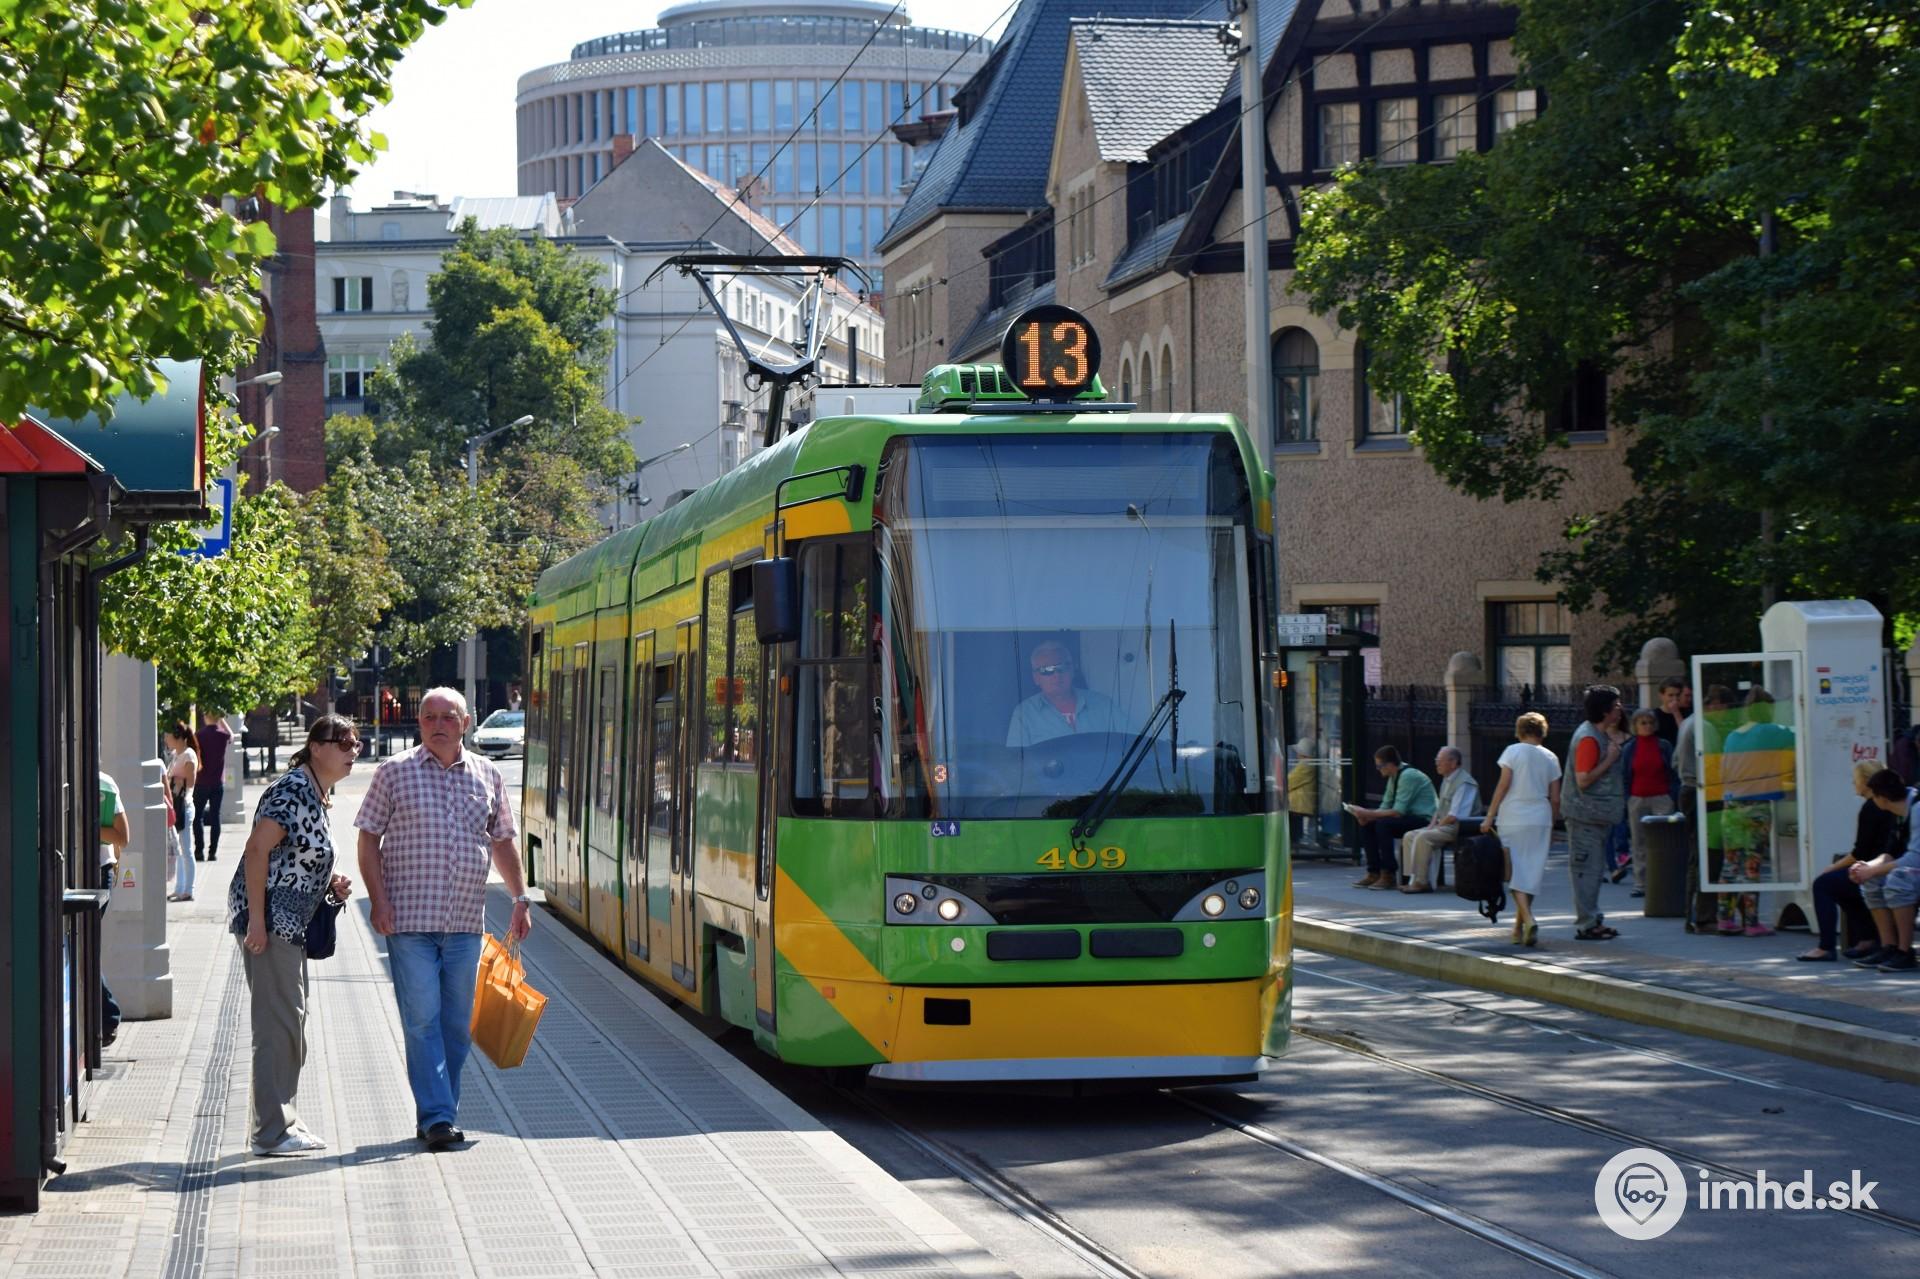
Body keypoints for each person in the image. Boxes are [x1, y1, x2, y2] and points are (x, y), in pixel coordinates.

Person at [356, 687, 532, 1150]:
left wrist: (520, 898)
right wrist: (378, 901)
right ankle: (437, 1117)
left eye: (448, 717)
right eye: (429, 717)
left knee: (456, 1025)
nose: (438, 725)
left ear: (466, 723)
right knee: (422, 1019)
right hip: (408, 921)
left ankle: (439, 1112)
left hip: (465, 923)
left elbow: (502, 842)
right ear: (419, 723)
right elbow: (368, 838)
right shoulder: (394, 772)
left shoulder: (488, 774)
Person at [231, 716, 359, 1156]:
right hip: (271, 922)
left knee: (291, 1023)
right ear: (316, 747)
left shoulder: (317, 793)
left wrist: (330, 882)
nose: (352, 751)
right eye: (343, 743)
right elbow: (256, 850)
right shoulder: (292, 791)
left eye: (356, 744)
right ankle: (270, 1131)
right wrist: (257, 922)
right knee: (278, 1025)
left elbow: (295, 856)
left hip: (289, 922)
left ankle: (282, 1118)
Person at [1797, 760, 1897, 962]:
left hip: (1875, 868)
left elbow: (1860, 852)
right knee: (1843, 885)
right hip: (1882, 865)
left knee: (1824, 884)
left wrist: (1832, 867)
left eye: (1855, 780)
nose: (1853, 784)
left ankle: (1826, 947)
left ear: (1866, 782)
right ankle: (1868, 938)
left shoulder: (1871, 807)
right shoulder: (1888, 804)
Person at [1716, 687, 1794, 936]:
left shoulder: (1732, 736)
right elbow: (1800, 736)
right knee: (1752, 865)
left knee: (1730, 865)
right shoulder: (1771, 731)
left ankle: (1724, 918)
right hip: (1756, 809)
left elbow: (1723, 772)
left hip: (1731, 808)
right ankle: (1751, 922)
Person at [1483, 712, 1563, 947]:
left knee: (1514, 871)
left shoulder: (1512, 751)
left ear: (1520, 731)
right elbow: (1555, 798)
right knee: (1531, 872)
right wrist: (1552, 824)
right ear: (1542, 731)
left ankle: (1528, 919)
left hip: (1513, 816)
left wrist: (1490, 816)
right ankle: (1518, 929)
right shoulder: (1551, 757)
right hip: (1540, 817)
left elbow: (1503, 785)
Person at [1563, 684, 1628, 940]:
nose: (1620, 709)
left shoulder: (1597, 735)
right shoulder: (1589, 739)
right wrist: (1610, 759)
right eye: (1616, 706)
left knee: (1592, 870)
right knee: (1586, 871)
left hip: (1593, 815)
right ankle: (1587, 924)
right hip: (1584, 816)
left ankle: (1592, 920)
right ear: (1604, 711)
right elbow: (1583, 780)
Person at [1848, 770, 1920, 972]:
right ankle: (1889, 947)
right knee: (1872, 880)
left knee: (1898, 879)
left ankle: (1905, 951)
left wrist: (1874, 870)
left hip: (1914, 867)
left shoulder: (1917, 809)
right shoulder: (1897, 811)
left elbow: (1915, 857)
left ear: (1882, 798)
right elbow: (1890, 852)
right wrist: (1868, 867)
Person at [1349, 745, 1436, 889]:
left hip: (1424, 819)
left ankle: (1388, 873)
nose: (1378, 769)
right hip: (1409, 817)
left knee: (1384, 825)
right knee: (1368, 825)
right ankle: (1374, 871)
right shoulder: (1394, 776)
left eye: (1380, 766)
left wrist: (1368, 813)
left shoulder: (1408, 776)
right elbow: (1385, 805)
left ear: (1389, 764)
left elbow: (1398, 811)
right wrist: (1367, 817)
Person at [1005, 641, 1122, 747]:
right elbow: (1016, 760)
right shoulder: (1024, 714)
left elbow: (1130, 744)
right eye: (1047, 670)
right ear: (1036, 678)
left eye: (1062, 667)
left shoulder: (1103, 704)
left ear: (1072, 671)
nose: (1056, 675)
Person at [1400, 746, 1479, 892]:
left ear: (1453, 763)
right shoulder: (1447, 779)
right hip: (1446, 825)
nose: (1437, 763)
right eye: (1437, 760)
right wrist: (1431, 825)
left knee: (1423, 837)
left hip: (1459, 828)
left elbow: (1455, 815)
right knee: (1409, 836)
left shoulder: (1465, 783)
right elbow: (1440, 808)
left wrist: (1435, 827)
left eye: (1440, 760)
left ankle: (1422, 882)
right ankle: (1412, 878)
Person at [1621, 708, 1679, 899]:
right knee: (1639, 841)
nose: (1647, 726)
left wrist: (1671, 795)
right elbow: (1624, 775)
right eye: (1643, 723)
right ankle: (1641, 883)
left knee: (1663, 842)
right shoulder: (1630, 748)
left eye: (1650, 723)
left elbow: (1673, 771)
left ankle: (1663, 881)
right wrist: (1628, 798)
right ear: (1635, 726)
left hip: (1662, 798)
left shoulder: (1664, 746)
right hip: (1637, 798)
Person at [99, 770, 130, 1046]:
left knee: (83, 947)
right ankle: (105, 1017)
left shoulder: (105, 783)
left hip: (99, 870)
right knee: (82, 948)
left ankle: (108, 1016)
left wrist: (88, 825)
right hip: (72, 870)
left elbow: (123, 836)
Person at [164, 722, 199, 902]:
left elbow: (191, 782)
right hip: (177, 805)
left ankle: (189, 889)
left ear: (177, 737)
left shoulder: (188, 755)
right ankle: (180, 888)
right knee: (179, 849)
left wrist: (176, 782)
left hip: (184, 805)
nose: (166, 739)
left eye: (168, 736)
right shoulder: (176, 755)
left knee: (186, 849)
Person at [194, 710, 233, 862]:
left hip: (201, 781)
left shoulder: (199, 735)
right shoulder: (222, 735)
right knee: (215, 816)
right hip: (217, 782)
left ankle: (199, 850)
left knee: (198, 816)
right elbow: (232, 735)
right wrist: (221, 720)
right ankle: (213, 852)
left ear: (205, 717)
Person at [1653, 677, 1690, 745]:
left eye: (1677, 695)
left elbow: (1687, 735)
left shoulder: (1687, 713)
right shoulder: (1654, 715)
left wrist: (1676, 712)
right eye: (1670, 695)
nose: (1675, 698)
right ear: (1661, 696)